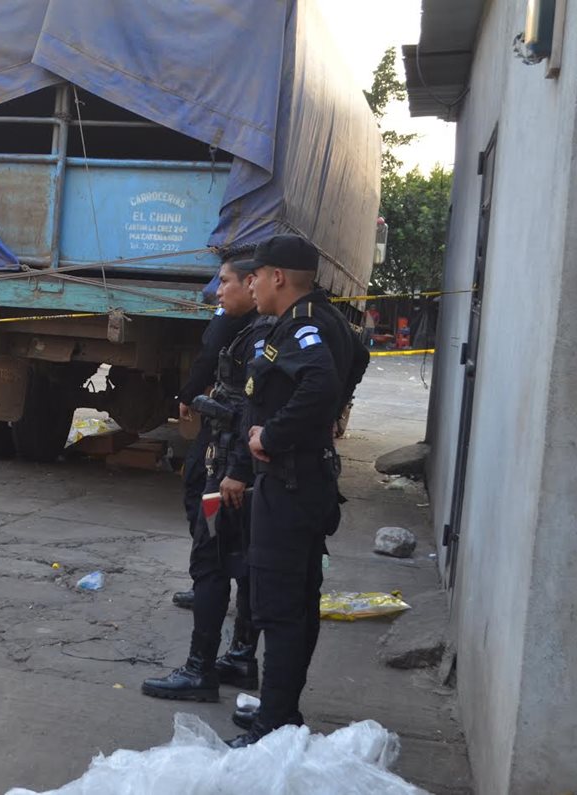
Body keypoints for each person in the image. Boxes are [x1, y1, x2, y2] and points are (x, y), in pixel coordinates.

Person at [226, 234, 368, 746]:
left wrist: (275, 433)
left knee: (280, 608)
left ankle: (273, 725)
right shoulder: (321, 319)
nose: (251, 284)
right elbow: (359, 358)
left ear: (277, 277)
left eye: (255, 276)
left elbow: (321, 384)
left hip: (288, 483)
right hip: (303, 481)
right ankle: (280, 710)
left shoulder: (303, 325)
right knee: (297, 603)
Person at [142, 254, 273, 701]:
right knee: (233, 560)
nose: (219, 292)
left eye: (226, 283)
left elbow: (254, 411)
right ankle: (237, 656)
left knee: (212, 559)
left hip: (231, 470)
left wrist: (235, 467)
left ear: (260, 281)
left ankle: (202, 669)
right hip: (233, 464)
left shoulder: (263, 336)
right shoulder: (265, 330)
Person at [171, 276, 254, 610]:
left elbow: (208, 357)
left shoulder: (250, 325)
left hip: (232, 431)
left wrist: (188, 394)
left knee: (205, 496)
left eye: (224, 282)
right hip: (231, 427)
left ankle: (212, 579)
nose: (217, 291)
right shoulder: (260, 324)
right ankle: (214, 578)